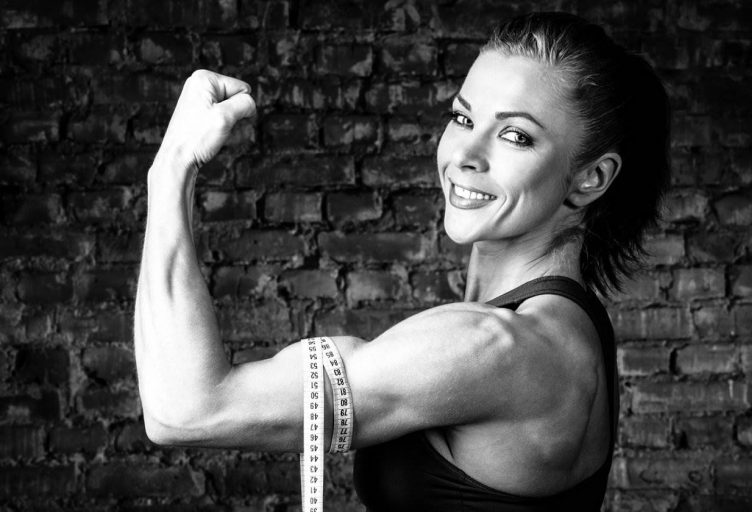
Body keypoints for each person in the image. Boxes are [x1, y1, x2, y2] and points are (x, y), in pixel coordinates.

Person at [134, 11, 670, 512]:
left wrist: (171, 171)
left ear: (591, 178)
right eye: (463, 117)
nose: (465, 155)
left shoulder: (496, 349)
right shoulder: (568, 328)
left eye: (515, 135)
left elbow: (185, 410)